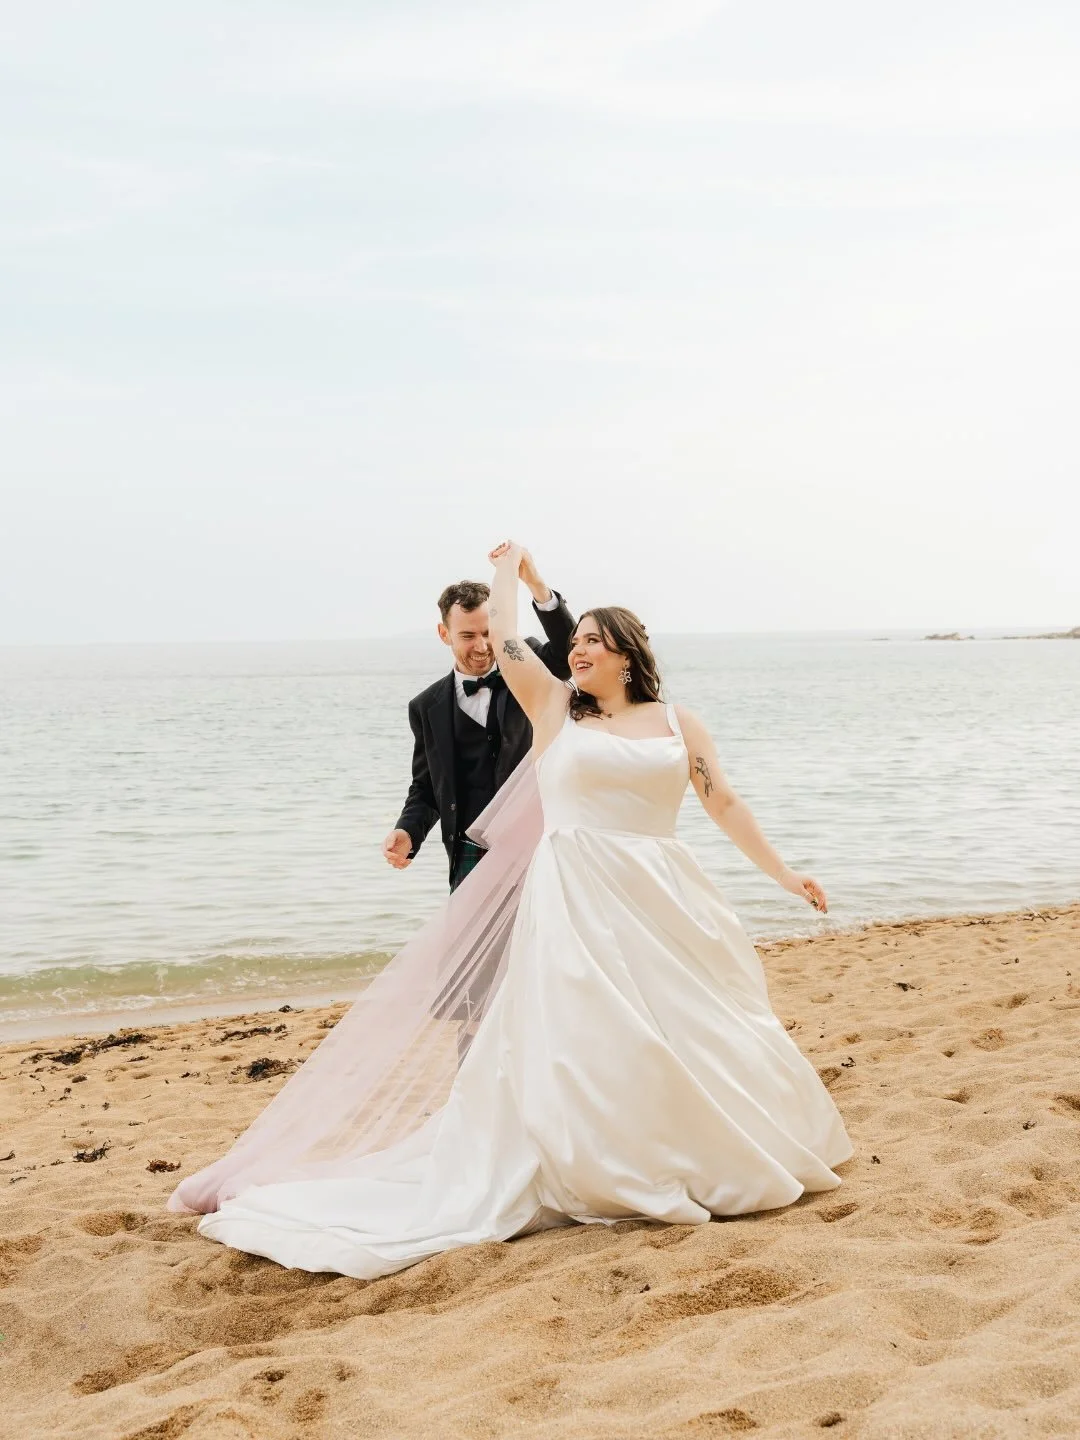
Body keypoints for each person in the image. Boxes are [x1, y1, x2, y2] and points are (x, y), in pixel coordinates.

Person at [170, 541, 853, 1277]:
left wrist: (784, 872)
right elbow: (502, 636)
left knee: (698, 1021)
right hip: (578, 895)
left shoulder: (678, 723)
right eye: (577, 638)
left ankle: (695, 1144)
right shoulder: (555, 706)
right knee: (587, 1031)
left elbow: (721, 799)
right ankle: (598, 1156)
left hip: (663, 892)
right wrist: (515, 573)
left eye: (593, 640)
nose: (579, 649)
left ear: (626, 653)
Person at [383, 551, 575, 891]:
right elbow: (427, 787)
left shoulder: (527, 662)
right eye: (468, 635)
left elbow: (567, 654)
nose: (483, 645)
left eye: (489, 632)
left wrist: (535, 584)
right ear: (444, 634)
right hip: (470, 850)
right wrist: (408, 831)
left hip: (538, 839)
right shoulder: (426, 706)